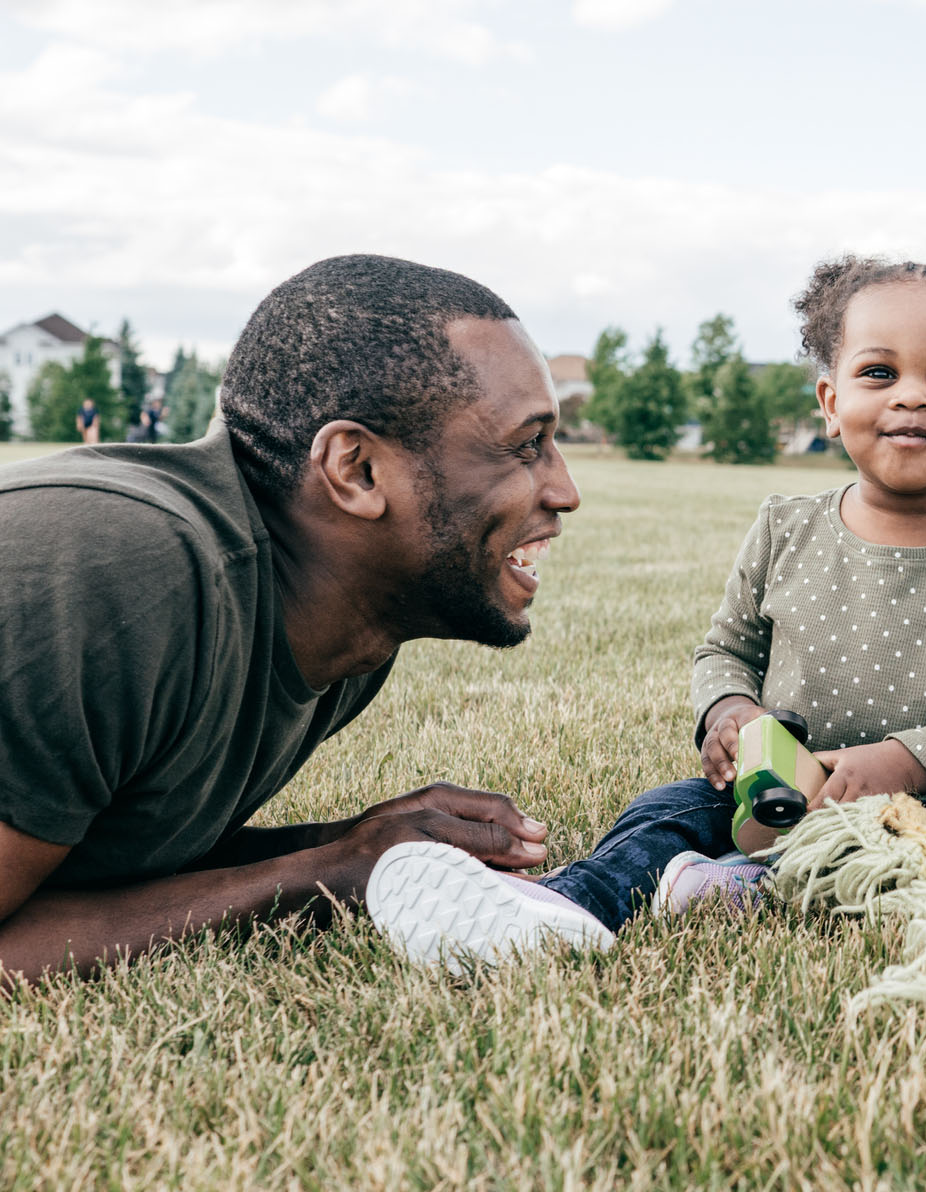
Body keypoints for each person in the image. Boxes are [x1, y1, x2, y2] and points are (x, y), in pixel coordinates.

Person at [367, 240, 926, 968]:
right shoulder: (785, 527)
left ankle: (790, 893)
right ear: (831, 403)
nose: (911, 395)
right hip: (777, 799)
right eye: (878, 372)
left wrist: (905, 760)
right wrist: (730, 713)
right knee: (663, 811)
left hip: (923, 805)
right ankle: (568, 903)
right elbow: (726, 651)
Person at [0, 255, 576, 984]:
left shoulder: (347, 624)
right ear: (357, 469)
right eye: (527, 445)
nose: (564, 489)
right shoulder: (117, 576)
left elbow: (91, 861)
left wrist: (360, 846)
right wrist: (327, 872)